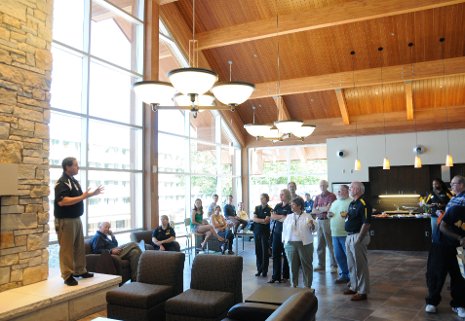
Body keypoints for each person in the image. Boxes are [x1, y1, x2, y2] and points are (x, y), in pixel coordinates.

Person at [54, 157, 104, 286]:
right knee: (67, 249)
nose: (78, 167)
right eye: (75, 165)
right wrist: (83, 196)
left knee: (79, 246)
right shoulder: (62, 182)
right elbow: (62, 201)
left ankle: (80, 270)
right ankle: (67, 275)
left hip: (76, 219)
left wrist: (92, 194)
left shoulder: (74, 181)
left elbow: (79, 197)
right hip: (66, 220)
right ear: (68, 167)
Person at [425, 205, 465, 317]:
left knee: (461, 276)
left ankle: (459, 304)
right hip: (441, 245)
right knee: (437, 274)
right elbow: (443, 227)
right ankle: (432, 302)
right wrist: (459, 238)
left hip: (461, 249)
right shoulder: (456, 210)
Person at [344, 181, 372, 301]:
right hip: (349, 236)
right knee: (351, 264)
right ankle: (354, 286)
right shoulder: (352, 203)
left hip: (358, 236)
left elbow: (366, 222)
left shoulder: (363, 203)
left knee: (360, 265)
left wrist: (359, 238)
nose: (349, 189)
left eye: (351, 187)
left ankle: (362, 291)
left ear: (358, 189)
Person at [283, 196, 316, 288]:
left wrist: (312, 226)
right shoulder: (289, 217)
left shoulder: (307, 216)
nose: (291, 206)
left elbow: (315, 228)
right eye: (291, 204)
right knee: (292, 266)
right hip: (290, 244)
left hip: (305, 244)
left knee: (306, 266)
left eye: (293, 204)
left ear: (299, 206)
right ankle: (294, 286)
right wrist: (284, 242)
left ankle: (307, 286)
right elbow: (284, 231)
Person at [328, 184, 351, 284]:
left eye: (341, 190)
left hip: (346, 233)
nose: (338, 192)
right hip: (334, 233)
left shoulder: (351, 202)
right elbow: (331, 214)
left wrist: (347, 216)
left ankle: (352, 276)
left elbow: (353, 216)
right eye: (338, 190)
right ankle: (344, 275)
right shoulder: (335, 202)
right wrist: (329, 214)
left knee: (349, 256)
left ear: (347, 191)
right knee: (338, 255)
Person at [312, 180, 337, 273]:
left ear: (327, 186)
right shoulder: (317, 197)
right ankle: (321, 264)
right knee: (319, 244)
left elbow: (329, 209)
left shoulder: (332, 196)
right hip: (319, 221)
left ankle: (334, 265)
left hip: (327, 221)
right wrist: (322, 209)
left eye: (324, 185)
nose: (322, 186)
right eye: (321, 185)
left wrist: (320, 208)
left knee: (330, 244)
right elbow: (313, 210)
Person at [269, 189, 291, 283]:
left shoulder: (290, 206)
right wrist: (282, 217)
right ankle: (275, 276)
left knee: (286, 255)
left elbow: (288, 219)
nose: (281, 196)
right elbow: (272, 216)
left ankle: (286, 276)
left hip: (286, 234)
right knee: (275, 254)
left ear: (287, 195)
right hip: (276, 233)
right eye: (280, 194)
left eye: (282, 194)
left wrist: (280, 217)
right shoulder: (278, 205)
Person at [253, 193, 272, 277]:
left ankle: (264, 270)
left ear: (267, 199)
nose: (261, 199)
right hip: (256, 232)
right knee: (258, 251)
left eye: (263, 198)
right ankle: (259, 270)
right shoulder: (257, 208)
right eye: (260, 198)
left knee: (265, 252)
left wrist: (259, 220)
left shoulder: (270, 209)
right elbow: (254, 219)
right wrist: (262, 220)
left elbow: (267, 221)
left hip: (265, 233)